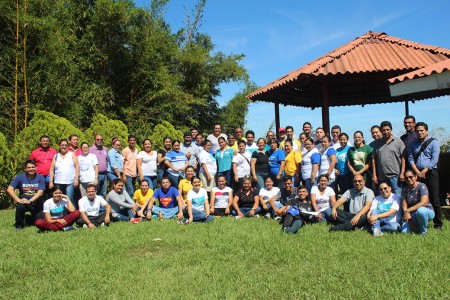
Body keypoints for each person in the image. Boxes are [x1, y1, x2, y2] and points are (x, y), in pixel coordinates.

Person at [407, 122, 442, 229]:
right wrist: (417, 172)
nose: (419, 132)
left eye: (421, 130)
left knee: (434, 197)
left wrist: (424, 171)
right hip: (417, 173)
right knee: (418, 198)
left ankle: (438, 223)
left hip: (430, 173)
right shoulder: (413, 144)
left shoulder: (434, 142)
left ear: (426, 131)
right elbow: (410, 158)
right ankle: (419, 220)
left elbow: (434, 159)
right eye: (417, 131)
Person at [7, 160, 45, 230]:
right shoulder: (20, 177)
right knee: (19, 207)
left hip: (37, 202)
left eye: (33, 167)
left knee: (40, 222)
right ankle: (19, 225)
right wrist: (18, 200)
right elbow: (9, 189)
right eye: (29, 167)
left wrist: (30, 201)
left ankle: (27, 219)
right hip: (24, 202)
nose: (31, 169)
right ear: (25, 169)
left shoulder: (40, 177)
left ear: (35, 168)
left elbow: (40, 192)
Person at [372, 121, 405, 197]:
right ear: (381, 131)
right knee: (384, 197)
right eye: (383, 130)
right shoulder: (377, 143)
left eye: (388, 130)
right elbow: (374, 159)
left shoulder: (398, 141)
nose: (386, 132)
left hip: (396, 176)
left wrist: (402, 173)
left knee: (397, 197)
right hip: (382, 177)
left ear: (391, 130)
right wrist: (374, 175)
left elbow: (403, 158)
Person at [401, 170, 435, 235]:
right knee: (404, 232)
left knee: (420, 211)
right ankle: (418, 227)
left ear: (416, 176)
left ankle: (423, 232)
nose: (408, 179)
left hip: (426, 211)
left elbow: (424, 203)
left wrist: (408, 210)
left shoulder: (422, 186)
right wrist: (409, 219)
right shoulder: (405, 190)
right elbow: (404, 206)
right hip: (412, 213)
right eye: (406, 178)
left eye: (411, 177)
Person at [49, 139, 79, 208]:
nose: (64, 146)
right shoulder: (56, 156)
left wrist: (76, 179)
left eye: (65, 145)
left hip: (70, 182)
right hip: (58, 181)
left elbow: (77, 167)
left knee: (69, 198)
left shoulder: (72, 154)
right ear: (59, 146)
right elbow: (51, 169)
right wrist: (51, 181)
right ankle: (61, 214)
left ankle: (74, 214)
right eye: (62, 145)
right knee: (59, 199)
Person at [335, 133, 352, 204]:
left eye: (344, 139)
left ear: (347, 140)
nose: (342, 141)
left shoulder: (350, 149)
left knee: (348, 193)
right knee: (342, 193)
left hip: (347, 174)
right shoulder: (337, 150)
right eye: (341, 140)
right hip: (339, 175)